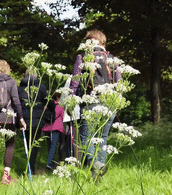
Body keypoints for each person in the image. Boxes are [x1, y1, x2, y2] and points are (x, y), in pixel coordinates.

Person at [69, 29, 122, 180]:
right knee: (103, 138)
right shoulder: (112, 59)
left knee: (87, 138)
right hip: (109, 104)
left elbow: (75, 80)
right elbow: (119, 84)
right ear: (104, 43)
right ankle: (98, 174)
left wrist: (72, 99)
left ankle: (95, 166)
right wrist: (117, 104)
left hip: (90, 103)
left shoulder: (83, 57)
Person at [18, 68, 49, 175]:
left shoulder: (20, 87)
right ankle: (31, 168)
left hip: (24, 119)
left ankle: (28, 167)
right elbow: (47, 100)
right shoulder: (41, 86)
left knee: (26, 143)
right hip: (37, 119)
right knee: (34, 144)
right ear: (36, 75)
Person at [42, 92, 65, 170]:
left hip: (46, 128)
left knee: (49, 146)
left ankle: (50, 161)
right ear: (58, 98)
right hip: (55, 128)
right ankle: (49, 163)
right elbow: (63, 116)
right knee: (53, 146)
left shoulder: (47, 105)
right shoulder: (58, 107)